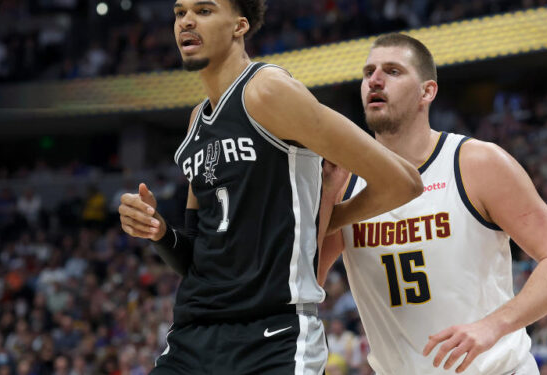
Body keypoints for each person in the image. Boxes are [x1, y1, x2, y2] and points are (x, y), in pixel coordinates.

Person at [117, 1, 423, 374]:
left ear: (239, 26)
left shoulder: (268, 91)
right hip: (191, 338)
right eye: (180, 13)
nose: (187, 22)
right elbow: (197, 257)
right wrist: (160, 231)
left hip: (272, 338)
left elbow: (402, 182)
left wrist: (320, 222)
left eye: (205, 10)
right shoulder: (197, 120)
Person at [319, 33, 547, 375]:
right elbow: (306, 284)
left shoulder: (477, 163)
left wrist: (493, 325)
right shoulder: (343, 180)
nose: (374, 79)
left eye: (392, 71)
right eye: (368, 71)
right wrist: (325, 199)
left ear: (427, 92)